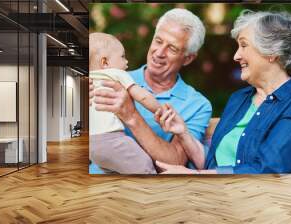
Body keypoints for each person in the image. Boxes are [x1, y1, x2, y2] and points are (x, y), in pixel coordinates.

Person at [154, 10, 291, 174]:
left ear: (272, 52)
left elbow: (269, 170)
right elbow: (213, 164)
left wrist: (195, 177)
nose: (236, 56)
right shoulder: (239, 99)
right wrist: (183, 132)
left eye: (244, 45)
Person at [90, 8, 212, 171]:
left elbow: (175, 162)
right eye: (158, 41)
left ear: (188, 58)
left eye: (172, 48)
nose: (159, 53)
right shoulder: (115, 78)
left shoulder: (197, 105)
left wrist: (131, 115)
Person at [89, 32, 162, 174]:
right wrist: (160, 109)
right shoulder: (115, 74)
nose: (126, 62)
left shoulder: (89, 79)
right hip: (111, 140)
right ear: (105, 62)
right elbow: (143, 97)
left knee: (113, 173)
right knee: (144, 165)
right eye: (122, 57)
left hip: (92, 146)